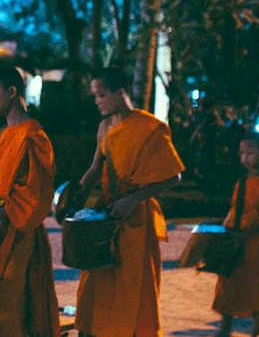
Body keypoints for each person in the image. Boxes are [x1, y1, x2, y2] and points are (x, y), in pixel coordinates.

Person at [74, 67, 185, 337]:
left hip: (135, 219)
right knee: (97, 280)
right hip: (105, 216)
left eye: (101, 94)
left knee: (133, 285)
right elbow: (94, 168)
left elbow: (173, 177)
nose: (97, 100)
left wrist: (133, 200)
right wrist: (72, 195)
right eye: (95, 96)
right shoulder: (104, 127)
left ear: (120, 92)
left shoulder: (149, 127)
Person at [0, 67, 60, 337]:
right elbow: (0, 185)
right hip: (2, 233)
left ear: (12, 92)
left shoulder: (33, 135)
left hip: (22, 233)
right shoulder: (6, 133)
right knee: (0, 301)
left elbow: (35, 193)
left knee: (12, 305)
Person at [212, 133, 259, 337]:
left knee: (258, 288)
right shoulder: (242, 182)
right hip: (234, 241)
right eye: (242, 153)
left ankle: (256, 328)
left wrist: (248, 232)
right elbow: (235, 210)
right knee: (227, 283)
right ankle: (225, 327)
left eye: (250, 153)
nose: (244, 158)